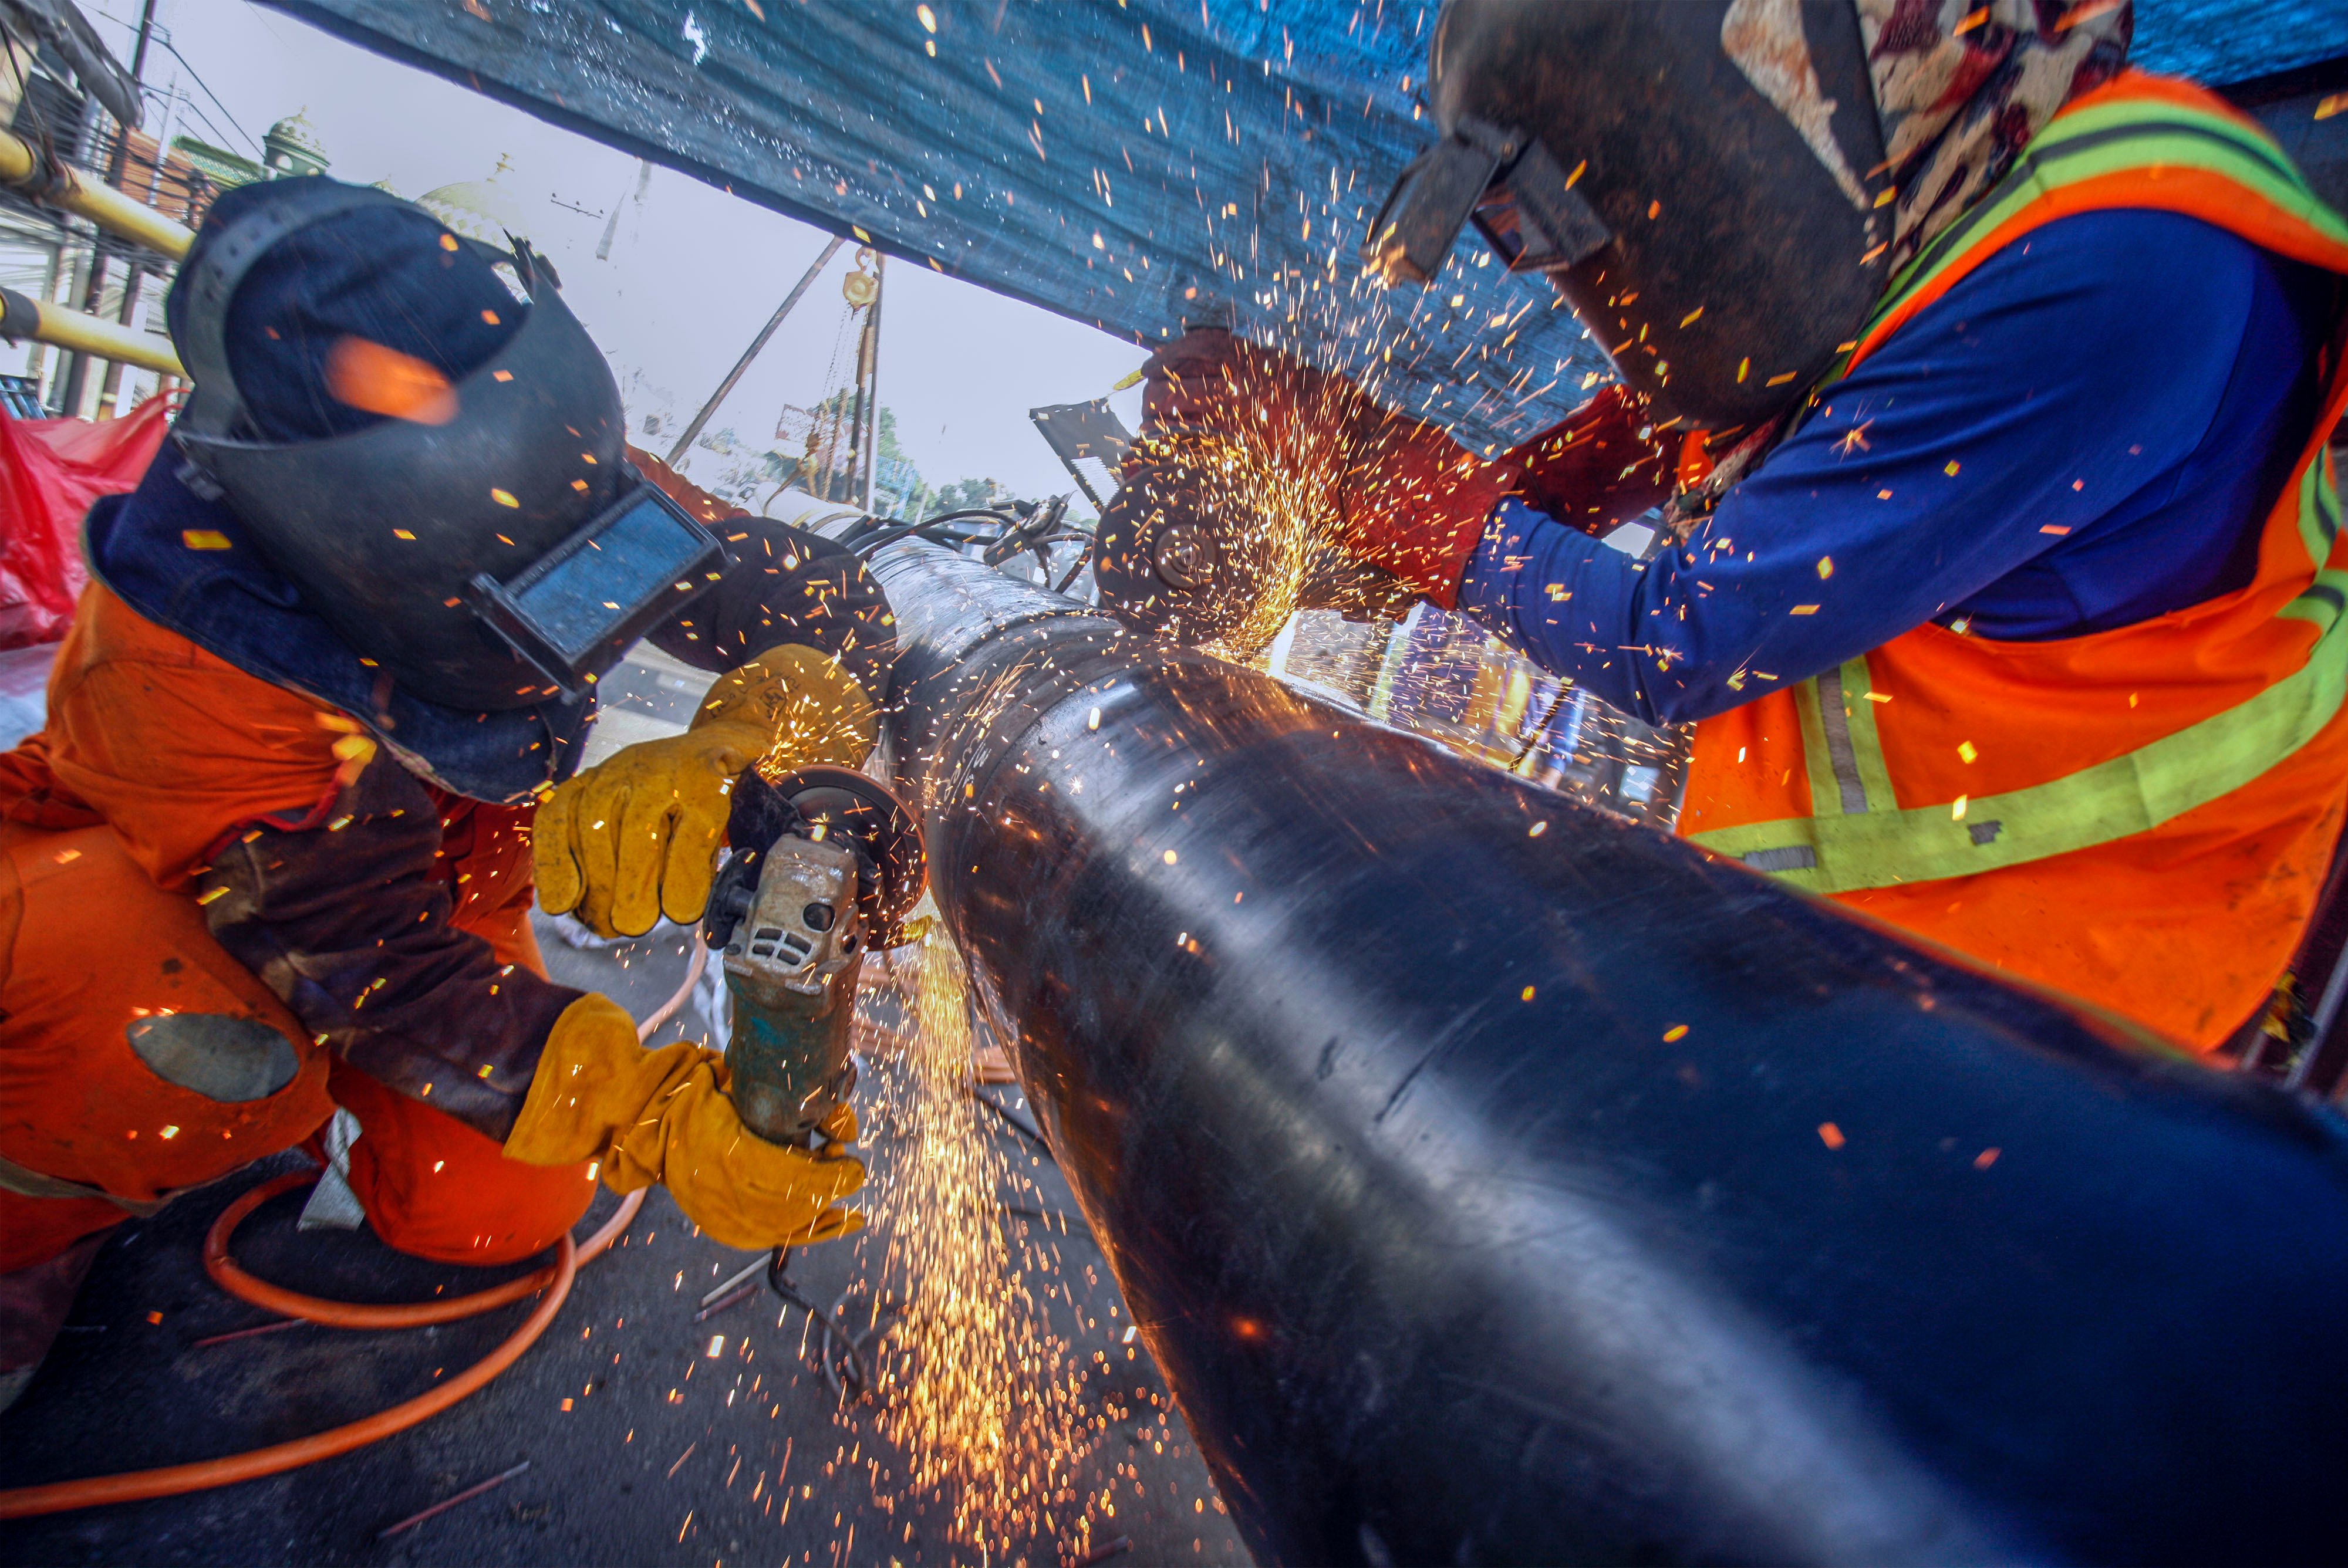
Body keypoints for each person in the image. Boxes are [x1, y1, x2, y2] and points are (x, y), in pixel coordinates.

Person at [1101, 0, 2348, 1055]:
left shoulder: (2107, 280)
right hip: (1905, 945)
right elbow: (1669, 427)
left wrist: (1361, 462)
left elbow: (1679, 639)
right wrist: (1353, 548)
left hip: (2096, 958)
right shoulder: (1932, 208)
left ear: (1779, 101)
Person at [0, 178, 892, 1407]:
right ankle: (33, 1220)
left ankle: (338, 1107)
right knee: (184, 1044)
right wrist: (640, 1112)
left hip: (437, 876)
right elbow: (372, 973)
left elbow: (819, 601)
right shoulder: (185, 661)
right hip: (191, 897)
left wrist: (747, 735)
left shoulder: (538, 472)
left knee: (499, 1210)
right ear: (347, 541)